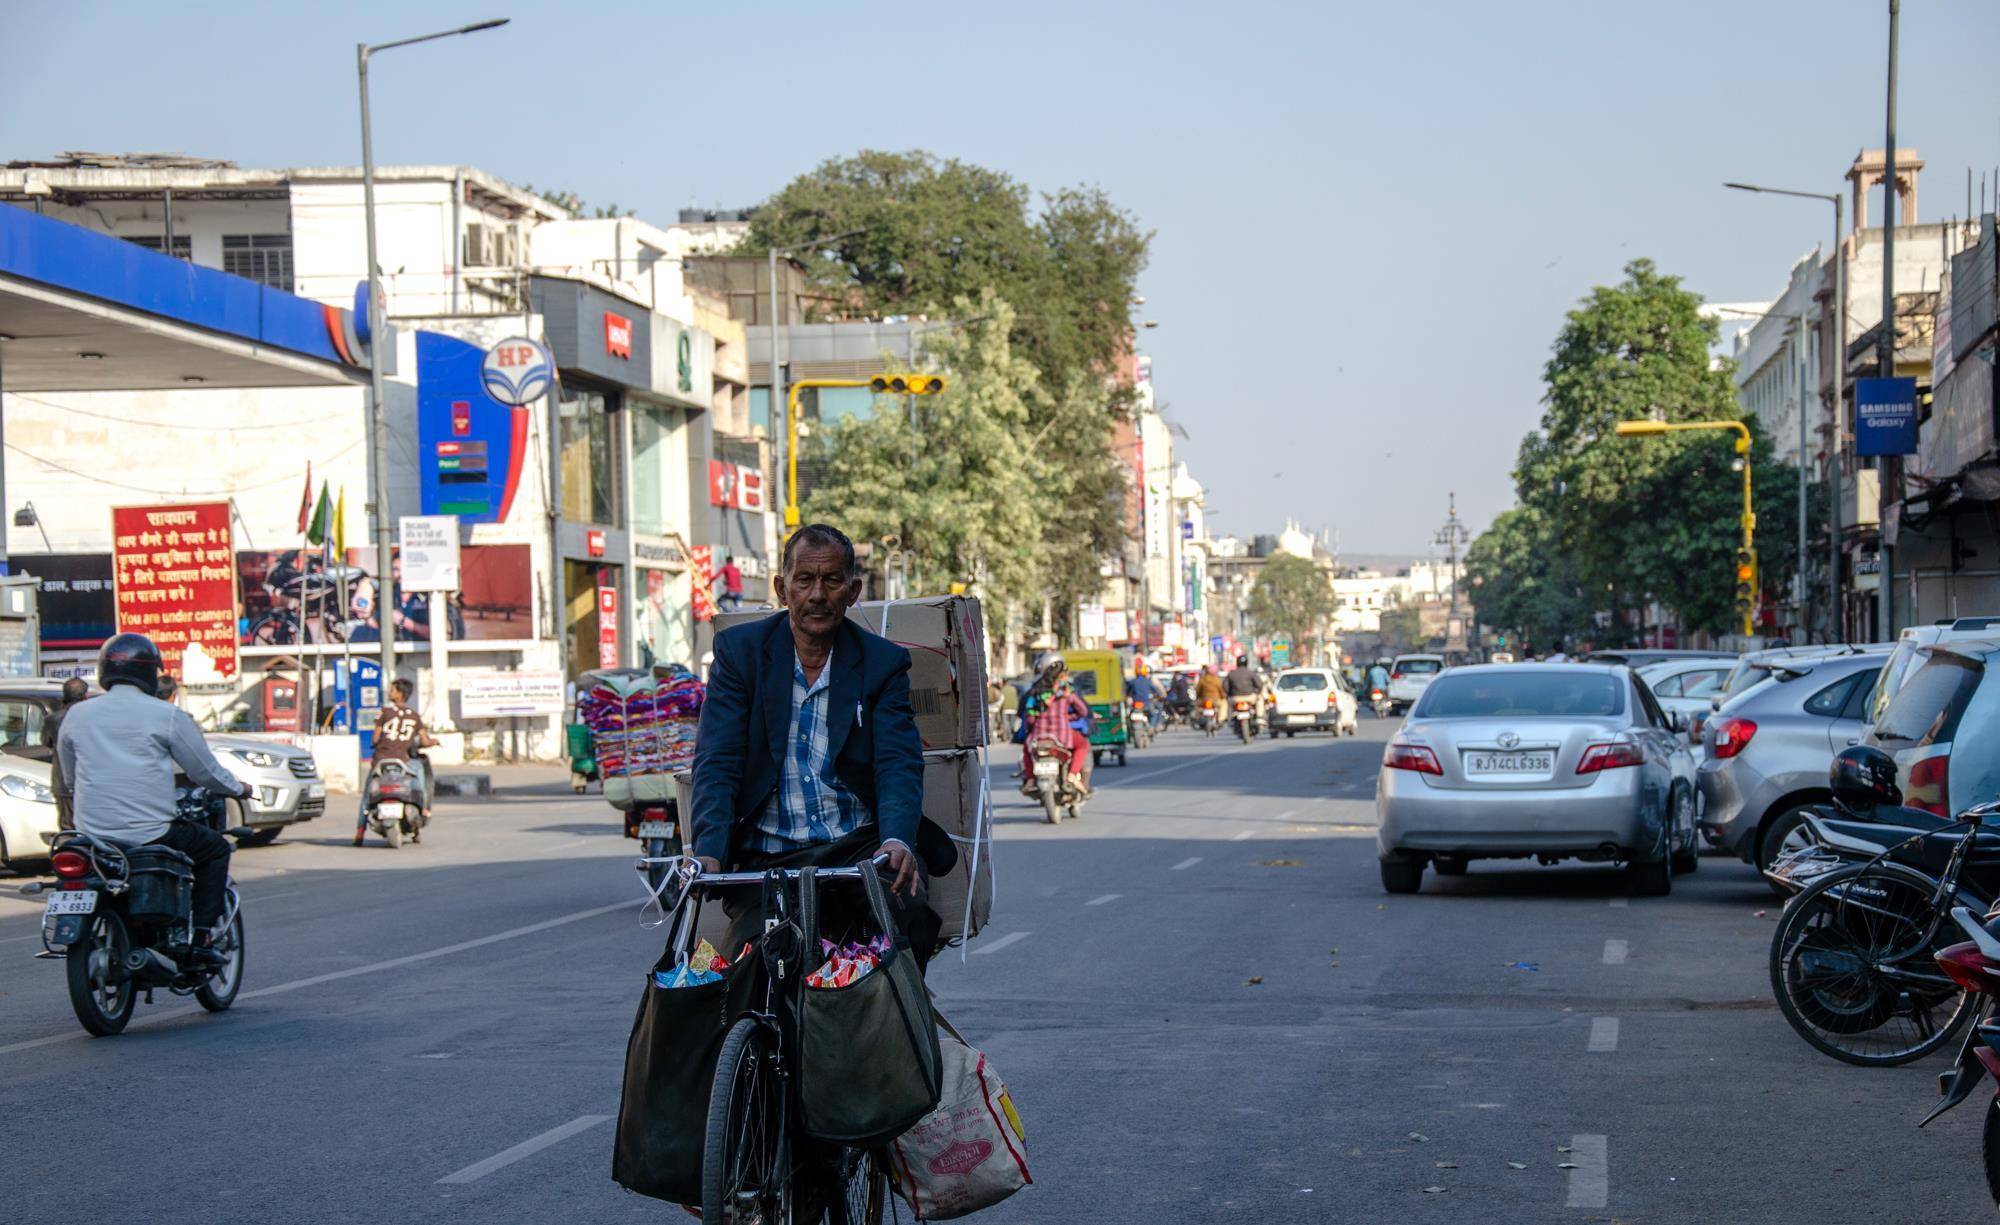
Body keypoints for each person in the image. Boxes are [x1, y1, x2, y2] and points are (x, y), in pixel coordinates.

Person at [690, 522, 954, 969]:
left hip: (858, 851)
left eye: (831, 580)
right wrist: (708, 851)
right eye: (804, 580)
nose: (817, 595)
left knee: (897, 935)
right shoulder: (740, 653)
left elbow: (897, 762)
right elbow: (718, 759)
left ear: (852, 591)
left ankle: (900, 1029)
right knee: (744, 973)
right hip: (766, 857)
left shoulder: (882, 663)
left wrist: (895, 840)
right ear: (782, 588)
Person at [56, 634, 253, 966]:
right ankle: (203, 937)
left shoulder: (77, 715)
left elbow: (69, 777)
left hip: (92, 835)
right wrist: (239, 789)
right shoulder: (166, 715)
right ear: (149, 672)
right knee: (215, 848)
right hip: (151, 833)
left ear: (105, 670)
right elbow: (205, 772)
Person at [358, 678, 437, 845]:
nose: (389, 692)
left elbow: (375, 738)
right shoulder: (414, 716)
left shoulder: (384, 713)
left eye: (392, 690)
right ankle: (423, 809)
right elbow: (424, 741)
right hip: (403, 760)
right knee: (418, 778)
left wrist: (378, 743)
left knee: (367, 796)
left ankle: (359, 833)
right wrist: (434, 742)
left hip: (380, 760)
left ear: (400, 694)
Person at [1021, 653, 1095, 792]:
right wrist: (1069, 717)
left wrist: (1034, 722)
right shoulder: (1066, 692)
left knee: (1026, 747)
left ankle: (1030, 780)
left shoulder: (1035, 692)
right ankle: (1072, 775)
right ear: (1061, 675)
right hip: (1061, 736)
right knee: (1083, 745)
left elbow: (1029, 715)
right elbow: (1083, 711)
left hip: (1039, 735)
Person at [43, 676, 90, 831]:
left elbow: (46, 742)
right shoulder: (90, 717)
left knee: (67, 828)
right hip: (89, 781)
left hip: (63, 782)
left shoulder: (53, 719)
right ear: (85, 696)